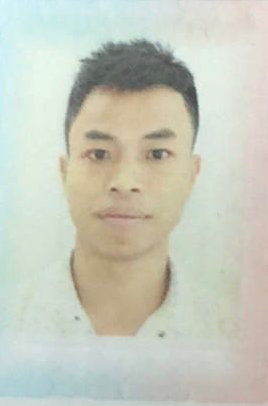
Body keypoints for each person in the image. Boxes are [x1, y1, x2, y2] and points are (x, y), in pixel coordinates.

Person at [17, 39, 221, 339]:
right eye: (99, 154)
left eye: (157, 154)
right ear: (64, 170)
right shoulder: (2, 324)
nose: (125, 183)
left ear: (193, 173)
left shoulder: (226, 332)